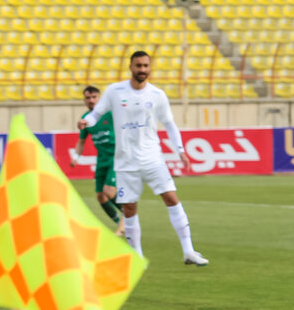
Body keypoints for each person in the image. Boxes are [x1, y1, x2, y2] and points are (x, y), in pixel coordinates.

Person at [79, 51, 207, 265]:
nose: (142, 70)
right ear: (131, 67)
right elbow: (96, 114)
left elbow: (169, 124)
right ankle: (136, 256)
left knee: (171, 198)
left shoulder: (157, 95)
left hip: (152, 158)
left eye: (146, 66)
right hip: (125, 161)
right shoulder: (115, 91)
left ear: (150, 67)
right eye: (138, 66)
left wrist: (180, 150)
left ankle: (189, 251)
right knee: (129, 208)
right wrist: (86, 122)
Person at [74, 84, 125, 235]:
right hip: (101, 160)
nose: (91, 100)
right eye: (88, 97)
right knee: (101, 197)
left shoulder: (109, 114)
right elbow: (81, 141)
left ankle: (128, 218)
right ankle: (120, 223)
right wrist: (76, 157)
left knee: (109, 191)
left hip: (115, 157)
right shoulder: (85, 119)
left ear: (99, 98)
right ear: (84, 100)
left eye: (94, 97)